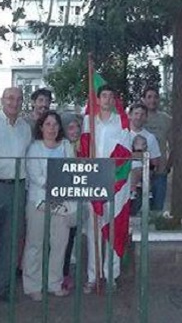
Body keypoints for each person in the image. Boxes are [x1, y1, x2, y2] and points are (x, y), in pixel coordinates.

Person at [0, 87, 32, 301]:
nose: (14, 102)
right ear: (2, 100)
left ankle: (2, 287)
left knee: (10, 241)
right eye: (10, 98)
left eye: (19, 99)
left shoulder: (25, 128)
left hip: (18, 187)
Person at [80, 85, 133, 292]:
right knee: (94, 231)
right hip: (92, 182)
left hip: (115, 183)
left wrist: (107, 175)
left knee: (112, 228)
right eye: (104, 96)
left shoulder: (122, 122)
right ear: (98, 99)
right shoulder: (88, 122)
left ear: (114, 100)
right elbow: (83, 150)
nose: (107, 100)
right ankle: (94, 276)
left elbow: (124, 152)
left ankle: (111, 276)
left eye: (111, 96)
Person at [23, 110, 76, 300]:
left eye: (55, 124)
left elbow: (71, 172)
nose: (52, 128)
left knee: (59, 244)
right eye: (48, 124)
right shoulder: (34, 148)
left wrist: (60, 182)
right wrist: (57, 180)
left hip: (62, 203)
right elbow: (36, 177)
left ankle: (54, 283)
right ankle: (32, 285)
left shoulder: (66, 146)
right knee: (35, 244)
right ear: (41, 127)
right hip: (39, 202)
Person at [61, 116, 84, 292]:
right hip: (65, 200)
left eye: (77, 127)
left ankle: (67, 271)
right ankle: (61, 273)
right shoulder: (61, 146)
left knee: (74, 237)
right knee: (63, 239)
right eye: (70, 128)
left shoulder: (86, 146)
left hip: (81, 199)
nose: (74, 131)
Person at [127, 103, 161, 214]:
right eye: (136, 113)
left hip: (141, 183)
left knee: (133, 214)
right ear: (129, 115)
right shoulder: (121, 135)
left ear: (146, 117)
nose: (139, 117)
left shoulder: (150, 138)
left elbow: (155, 162)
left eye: (142, 114)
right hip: (122, 180)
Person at [142, 87, 171, 211]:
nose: (152, 100)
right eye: (149, 97)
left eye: (155, 97)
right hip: (139, 172)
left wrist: (169, 165)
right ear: (143, 99)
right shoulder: (137, 117)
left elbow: (173, 144)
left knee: (157, 208)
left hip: (160, 171)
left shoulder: (166, 119)